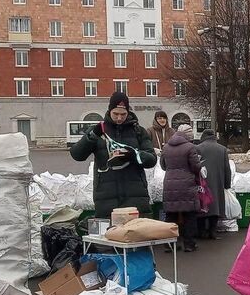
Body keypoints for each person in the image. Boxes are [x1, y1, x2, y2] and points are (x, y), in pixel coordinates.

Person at [70, 92, 156, 218]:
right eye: (116, 114)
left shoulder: (138, 131)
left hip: (135, 195)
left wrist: (134, 155)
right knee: (109, 235)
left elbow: (152, 160)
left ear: (128, 112)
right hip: (106, 197)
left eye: (123, 114)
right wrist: (92, 136)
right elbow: (77, 155)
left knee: (136, 234)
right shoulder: (98, 131)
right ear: (109, 111)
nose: (119, 118)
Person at [160, 124, 202, 252]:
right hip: (187, 184)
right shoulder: (190, 147)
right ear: (188, 136)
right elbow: (196, 166)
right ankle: (189, 244)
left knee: (170, 215)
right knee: (189, 214)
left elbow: (162, 165)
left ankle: (169, 244)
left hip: (169, 183)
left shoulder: (166, 147)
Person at [195, 128, 232, 240]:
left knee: (202, 205)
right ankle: (212, 232)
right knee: (216, 206)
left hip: (202, 182)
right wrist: (227, 184)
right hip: (218, 182)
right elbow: (227, 168)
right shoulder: (222, 149)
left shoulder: (198, 148)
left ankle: (201, 232)